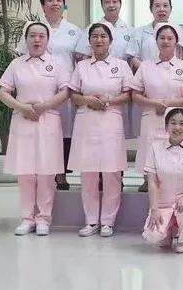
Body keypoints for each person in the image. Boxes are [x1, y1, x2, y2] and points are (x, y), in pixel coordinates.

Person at [0, 22, 70, 236]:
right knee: (26, 172)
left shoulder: (57, 63)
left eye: (41, 36)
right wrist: (22, 107)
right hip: (23, 121)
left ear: (48, 40)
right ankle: (27, 218)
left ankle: (43, 218)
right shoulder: (17, 64)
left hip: (48, 120)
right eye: (32, 36)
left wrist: (44, 106)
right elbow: (3, 93)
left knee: (46, 172)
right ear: (26, 39)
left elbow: (65, 91)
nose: (36, 40)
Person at [68, 22, 132, 237]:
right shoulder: (82, 66)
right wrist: (88, 100)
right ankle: (91, 221)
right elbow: (73, 95)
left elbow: (129, 94)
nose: (99, 40)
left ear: (110, 40)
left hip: (111, 121)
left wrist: (109, 100)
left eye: (103, 36)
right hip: (86, 121)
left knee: (111, 173)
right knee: (88, 174)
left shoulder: (121, 65)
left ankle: (107, 222)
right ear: (89, 41)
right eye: (94, 36)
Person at [18, 0, 82, 191]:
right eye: (50, 0)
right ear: (43, 5)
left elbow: (80, 60)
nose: (55, 3)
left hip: (65, 90)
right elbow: (22, 57)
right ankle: (41, 173)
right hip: (39, 89)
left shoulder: (74, 30)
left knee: (64, 132)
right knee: (42, 132)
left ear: (64, 4)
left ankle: (61, 174)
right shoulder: (34, 28)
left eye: (58, 0)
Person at [131, 23, 183, 192]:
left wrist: (169, 105)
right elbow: (135, 95)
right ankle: (148, 182)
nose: (166, 41)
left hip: (178, 120)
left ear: (176, 42)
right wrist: (154, 103)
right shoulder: (146, 66)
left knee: (176, 154)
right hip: (152, 117)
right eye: (162, 38)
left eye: (170, 38)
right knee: (150, 152)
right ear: (156, 40)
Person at [142, 107, 183, 254]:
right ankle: (168, 231)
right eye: (173, 123)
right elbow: (152, 181)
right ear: (166, 126)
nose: (177, 127)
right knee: (152, 236)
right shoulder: (155, 148)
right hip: (162, 203)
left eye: (182, 123)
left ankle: (182, 238)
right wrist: (154, 209)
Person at [76, 0, 135, 142]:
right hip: (92, 80)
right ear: (101, 5)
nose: (111, 5)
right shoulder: (92, 27)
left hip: (118, 83)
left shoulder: (130, 30)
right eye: (107, 2)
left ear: (120, 4)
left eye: (115, 1)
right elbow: (82, 55)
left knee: (115, 133)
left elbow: (133, 59)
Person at [127, 0, 183, 70]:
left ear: (170, 8)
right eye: (157, 6)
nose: (161, 9)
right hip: (145, 74)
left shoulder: (178, 31)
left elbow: (181, 57)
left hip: (172, 74)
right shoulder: (139, 32)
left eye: (165, 6)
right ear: (151, 9)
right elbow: (133, 57)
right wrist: (147, 71)